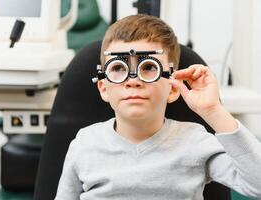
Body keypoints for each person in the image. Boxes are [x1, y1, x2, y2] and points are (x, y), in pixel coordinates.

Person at [54, 14, 261, 200]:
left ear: (172, 89)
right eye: (118, 67)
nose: (133, 80)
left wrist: (213, 111)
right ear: (104, 87)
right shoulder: (85, 144)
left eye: (149, 67)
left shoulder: (195, 142)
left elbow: (257, 185)